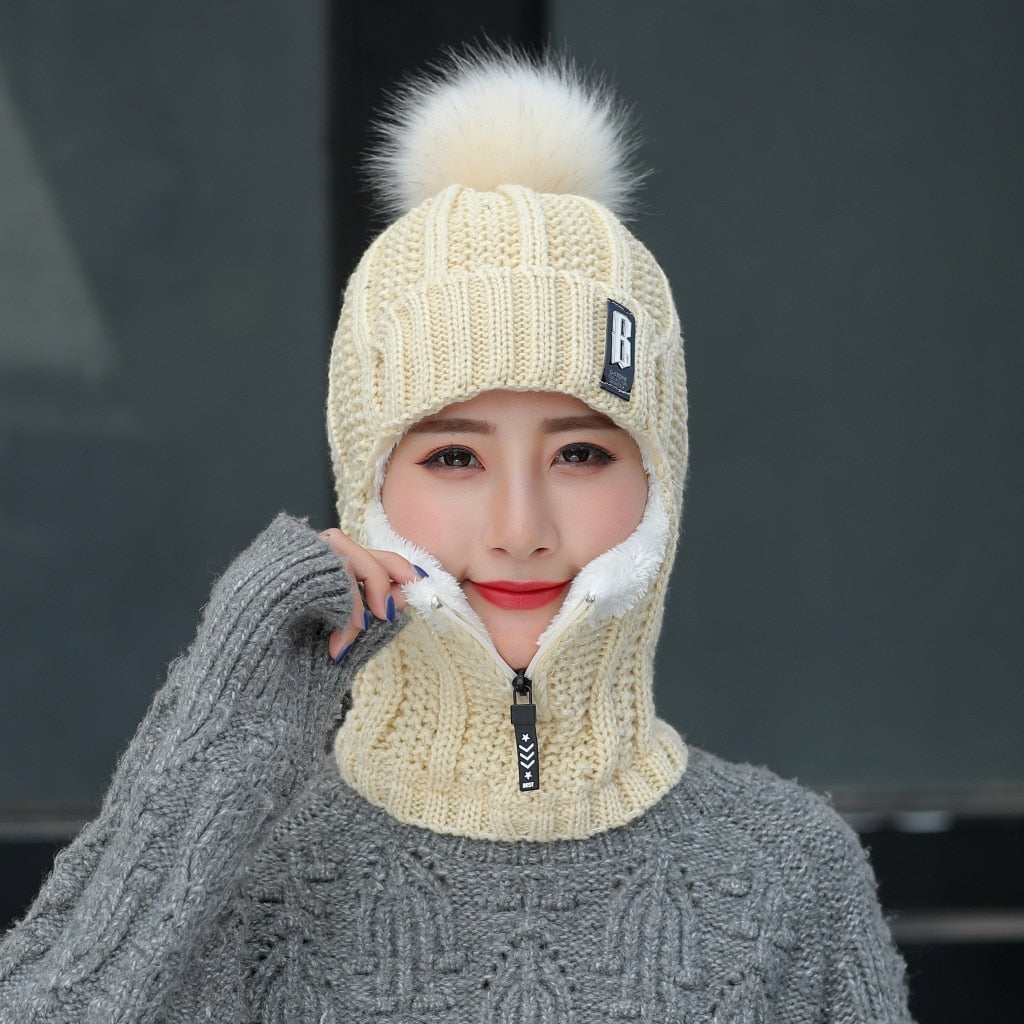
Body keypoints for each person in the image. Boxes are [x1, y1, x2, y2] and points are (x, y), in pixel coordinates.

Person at [0, 50, 914, 1022]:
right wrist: (218, 729)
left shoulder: (790, 867)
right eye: (453, 458)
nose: (520, 530)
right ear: (366, 481)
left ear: (660, 475)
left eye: (578, 454)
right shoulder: (237, 865)